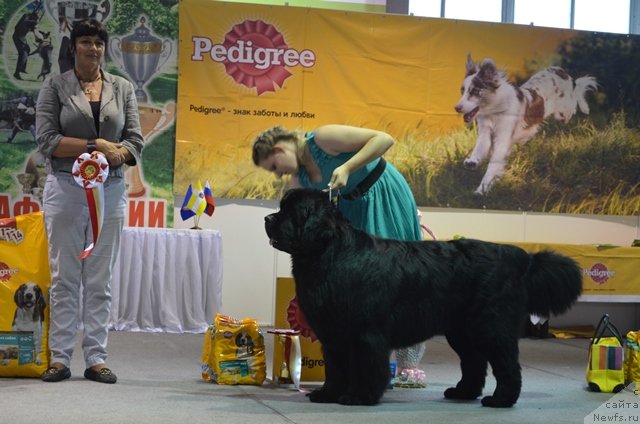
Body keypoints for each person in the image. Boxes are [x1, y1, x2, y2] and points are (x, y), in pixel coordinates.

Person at [253, 124, 427, 387]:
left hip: (383, 194)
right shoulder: (298, 180)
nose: (278, 174)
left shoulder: (323, 139)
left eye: (274, 166)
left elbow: (384, 139)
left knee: (400, 280)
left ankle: (408, 364)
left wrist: (347, 167)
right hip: (352, 208)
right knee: (365, 290)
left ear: (280, 148)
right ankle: (373, 364)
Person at [36, 18, 144, 384]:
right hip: (65, 190)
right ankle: (60, 358)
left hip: (110, 192)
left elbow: (135, 140)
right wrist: (95, 145)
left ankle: (97, 358)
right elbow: (47, 140)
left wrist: (119, 154)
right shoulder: (55, 86)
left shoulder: (123, 87)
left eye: (98, 42)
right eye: (85, 42)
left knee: (100, 281)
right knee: (64, 278)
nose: (93, 48)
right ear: (73, 47)